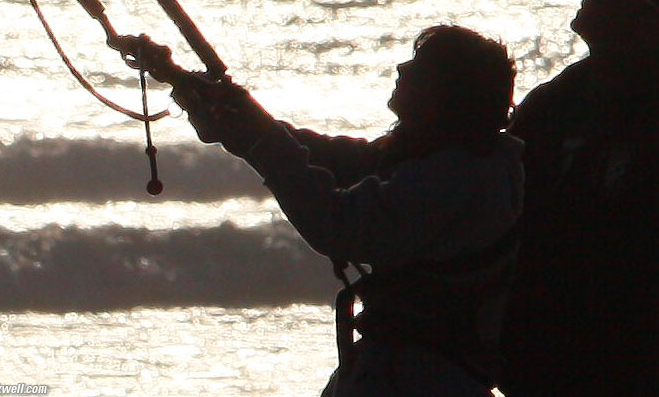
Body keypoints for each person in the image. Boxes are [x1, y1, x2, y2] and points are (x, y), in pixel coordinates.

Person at [156, 25, 524, 396]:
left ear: (447, 95)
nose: (402, 69)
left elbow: (338, 225)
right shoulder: (451, 160)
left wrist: (254, 134)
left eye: (419, 66)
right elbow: (324, 157)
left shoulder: (459, 175)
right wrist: (183, 81)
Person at [499, 0, 659, 397]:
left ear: (642, 14)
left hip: (620, 357)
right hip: (538, 349)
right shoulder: (558, 98)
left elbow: (646, 254)